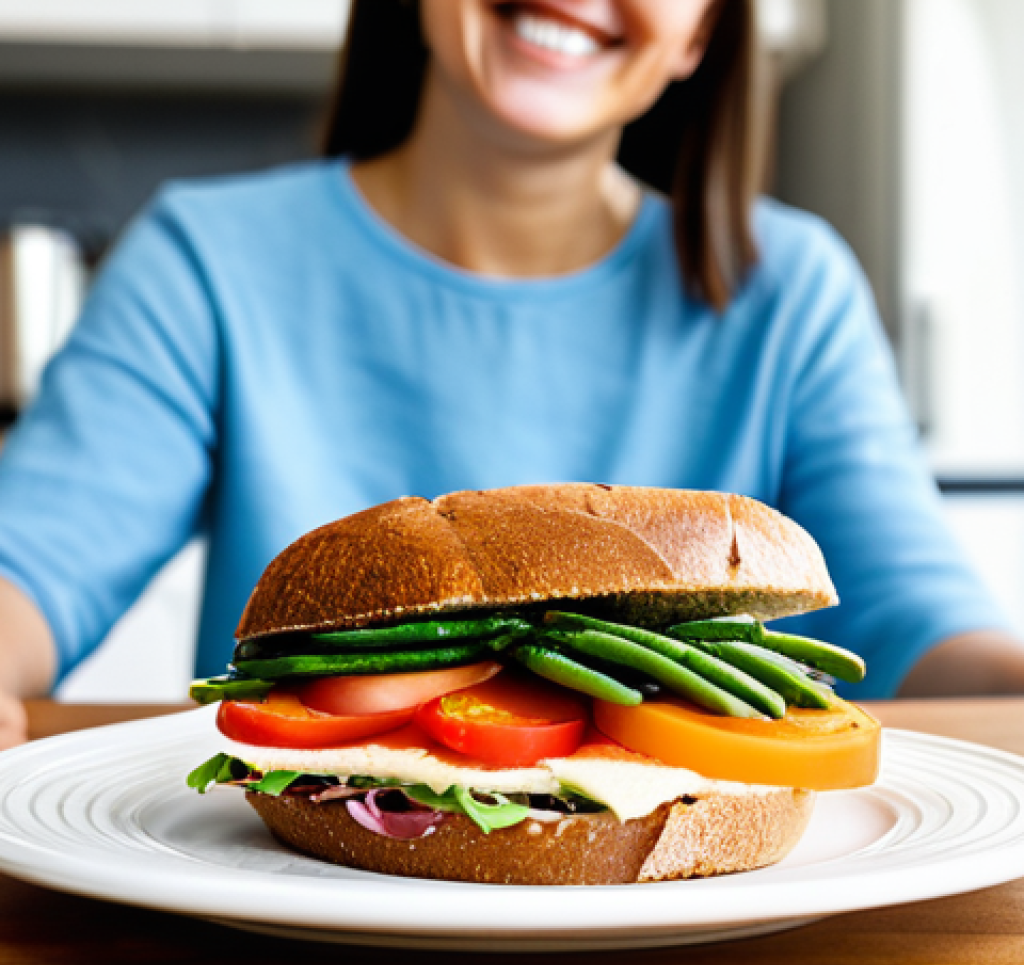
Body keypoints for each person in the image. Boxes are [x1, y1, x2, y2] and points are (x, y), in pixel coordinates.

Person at [1, 0, 1022, 748]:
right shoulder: (204, 258)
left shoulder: (787, 287)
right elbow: (35, 558)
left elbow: (916, 617)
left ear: (699, 34)